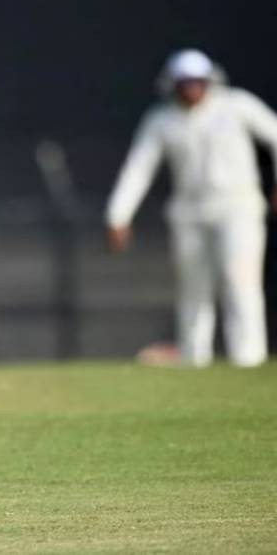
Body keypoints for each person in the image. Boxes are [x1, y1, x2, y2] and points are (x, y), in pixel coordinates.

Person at [106, 48, 276, 368]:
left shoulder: (236, 106)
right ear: (173, 84)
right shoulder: (162, 120)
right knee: (193, 288)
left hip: (237, 207)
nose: (192, 88)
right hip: (189, 212)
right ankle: (194, 359)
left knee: (240, 282)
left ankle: (248, 359)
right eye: (185, 82)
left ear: (209, 81)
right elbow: (138, 168)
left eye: (198, 81)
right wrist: (118, 215)